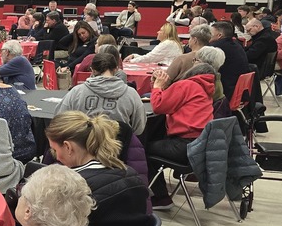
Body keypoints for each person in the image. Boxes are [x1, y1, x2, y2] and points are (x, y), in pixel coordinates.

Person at [147, 62, 216, 209]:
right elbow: (172, 100)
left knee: (143, 150)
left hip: (184, 146)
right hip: (200, 146)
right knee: (156, 143)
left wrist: (157, 87)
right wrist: (160, 87)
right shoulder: (206, 88)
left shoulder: (187, 85)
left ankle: (161, 198)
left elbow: (158, 106)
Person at [56, 48, 147, 135]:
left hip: (83, 147)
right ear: (116, 69)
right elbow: (139, 128)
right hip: (119, 147)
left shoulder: (76, 92)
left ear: (92, 70)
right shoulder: (131, 94)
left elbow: (60, 119)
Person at [208, 21, 250, 99]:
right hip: (239, 90)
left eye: (210, 33)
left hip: (226, 92)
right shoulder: (236, 45)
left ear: (219, 35)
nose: (208, 36)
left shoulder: (215, 48)